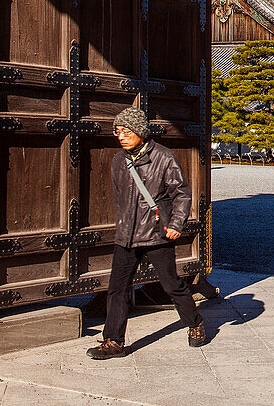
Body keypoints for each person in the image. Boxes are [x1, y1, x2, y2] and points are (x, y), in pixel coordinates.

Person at [87, 107, 205, 360]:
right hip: (126, 236)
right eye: (117, 132)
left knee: (171, 285)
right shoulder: (119, 160)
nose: (121, 136)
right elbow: (121, 199)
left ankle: (195, 323)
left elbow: (181, 194)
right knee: (117, 288)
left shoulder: (164, 157)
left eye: (126, 131)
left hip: (155, 233)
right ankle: (113, 341)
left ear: (141, 132)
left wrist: (176, 224)